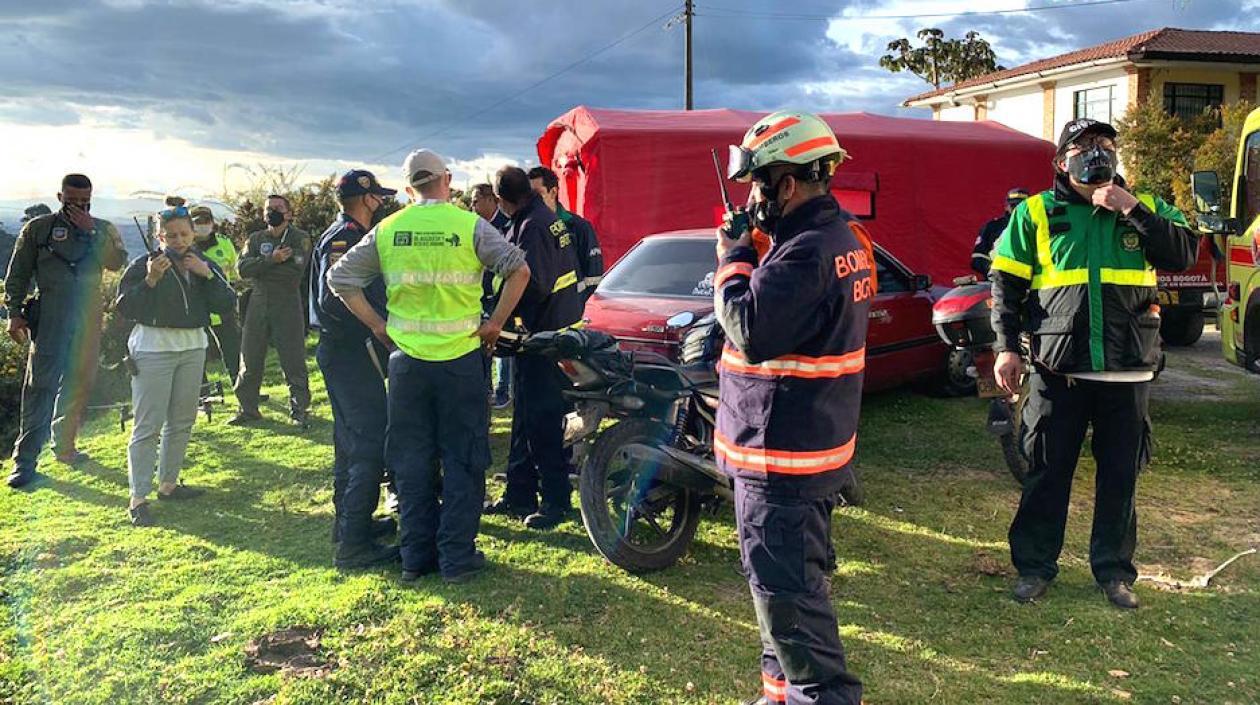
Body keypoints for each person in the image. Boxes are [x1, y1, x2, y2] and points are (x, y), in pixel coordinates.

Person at [991, 118, 1200, 609]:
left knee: (1120, 476)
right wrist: (1004, 347)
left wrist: (1131, 209)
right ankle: (1035, 568)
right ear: (1062, 162)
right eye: (1083, 146)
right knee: (1046, 472)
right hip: (1057, 369)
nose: (1096, 152)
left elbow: (1183, 254)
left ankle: (1113, 572)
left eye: (1105, 144)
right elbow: (1006, 285)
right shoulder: (1035, 213)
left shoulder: (1146, 206)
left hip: (1128, 369)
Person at [716, 111, 868, 705]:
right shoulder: (843, 237)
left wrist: (733, 259)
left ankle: (822, 694)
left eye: (757, 183)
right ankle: (781, 694)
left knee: (788, 598)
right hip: (806, 447)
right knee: (776, 589)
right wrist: (761, 249)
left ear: (786, 181)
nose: (752, 198)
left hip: (781, 456)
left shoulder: (805, 252)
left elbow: (749, 328)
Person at [328, 149, 531, 583]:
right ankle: (457, 558)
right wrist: (495, 323)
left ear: (407, 189)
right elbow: (519, 270)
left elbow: (340, 280)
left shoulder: (389, 228)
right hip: (460, 361)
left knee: (411, 460)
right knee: (463, 458)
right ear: (448, 180)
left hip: (407, 366)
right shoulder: (468, 225)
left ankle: (415, 558)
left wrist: (380, 326)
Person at [115, 203, 236, 526]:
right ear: (159, 235)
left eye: (184, 234)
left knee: (182, 420)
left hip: (193, 346)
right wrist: (151, 280)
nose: (179, 240)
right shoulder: (144, 265)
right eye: (171, 235)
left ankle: (168, 484)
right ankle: (138, 497)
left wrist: (207, 275)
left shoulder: (203, 263)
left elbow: (227, 302)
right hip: (153, 348)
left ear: (193, 233)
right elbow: (125, 307)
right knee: (147, 425)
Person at [5, 174, 128, 488]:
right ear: (61, 196)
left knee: (79, 382)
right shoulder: (39, 229)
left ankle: (65, 446)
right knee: (40, 386)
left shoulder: (103, 228)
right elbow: (18, 273)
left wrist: (91, 233)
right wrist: (14, 313)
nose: (79, 204)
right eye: (72, 199)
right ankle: (25, 461)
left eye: (85, 199)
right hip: (51, 315)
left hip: (88, 316)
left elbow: (117, 263)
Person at [483, 166, 583, 530]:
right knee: (524, 418)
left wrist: (499, 311)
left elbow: (535, 284)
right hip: (544, 335)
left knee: (541, 421)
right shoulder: (540, 217)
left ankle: (556, 502)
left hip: (545, 339)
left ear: (502, 200)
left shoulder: (533, 226)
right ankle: (518, 494)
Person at [311, 169, 400, 570]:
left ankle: (349, 523)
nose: (382, 203)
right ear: (366, 199)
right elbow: (334, 300)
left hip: (342, 350)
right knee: (367, 437)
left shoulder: (337, 232)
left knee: (348, 438)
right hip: (350, 350)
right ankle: (354, 545)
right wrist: (375, 325)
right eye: (378, 197)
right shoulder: (348, 237)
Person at [231, 194, 311, 427]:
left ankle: (299, 409)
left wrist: (262, 268)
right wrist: (271, 260)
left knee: (292, 358)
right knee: (250, 357)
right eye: (268, 209)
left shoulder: (299, 238)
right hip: (257, 301)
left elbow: (295, 270)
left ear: (288, 213)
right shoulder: (256, 238)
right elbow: (242, 269)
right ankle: (247, 408)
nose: (271, 212)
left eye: (277, 208)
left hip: (286, 301)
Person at [526, 167, 605, 301]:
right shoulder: (526, 229)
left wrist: (573, 305)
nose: (532, 202)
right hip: (538, 315)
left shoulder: (579, 228)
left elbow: (593, 278)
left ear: (553, 192)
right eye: (529, 196)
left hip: (569, 315)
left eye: (538, 195)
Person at [471, 182, 514, 409]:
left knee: (501, 344)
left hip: (501, 297)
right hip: (481, 296)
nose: (472, 206)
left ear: (490, 200)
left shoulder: (504, 226)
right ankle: (488, 392)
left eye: (476, 201)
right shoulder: (475, 226)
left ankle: (502, 391)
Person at [190, 205, 242, 382]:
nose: (202, 226)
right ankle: (203, 397)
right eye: (198, 223)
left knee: (232, 351)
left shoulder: (225, 243)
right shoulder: (185, 247)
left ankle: (241, 389)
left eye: (206, 221)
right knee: (197, 356)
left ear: (212, 223)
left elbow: (235, 274)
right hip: (196, 309)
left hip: (222, 307)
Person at [971, 188, 1029, 277]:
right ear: (1006, 206)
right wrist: (993, 270)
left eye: (1022, 205)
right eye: (1014, 205)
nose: (1018, 209)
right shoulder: (993, 227)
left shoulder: (1039, 226)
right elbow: (978, 258)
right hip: (998, 282)